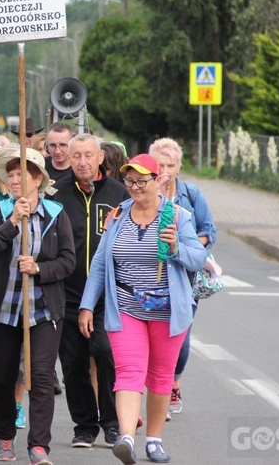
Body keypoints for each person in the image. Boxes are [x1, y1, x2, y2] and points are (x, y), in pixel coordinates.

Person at [78, 153, 207, 464]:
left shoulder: (177, 216)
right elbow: (99, 264)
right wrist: (86, 305)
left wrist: (176, 248)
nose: (134, 187)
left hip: (167, 309)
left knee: (161, 377)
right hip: (126, 306)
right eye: (129, 181)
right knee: (128, 372)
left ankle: (153, 439)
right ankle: (125, 437)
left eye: (141, 181)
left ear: (157, 179)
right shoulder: (118, 215)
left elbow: (199, 259)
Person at [0, 147, 76, 465]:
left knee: (42, 377)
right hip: (3, 310)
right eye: (12, 174)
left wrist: (38, 268)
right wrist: (12, 222)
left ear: (38, 178)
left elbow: (68, 261)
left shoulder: (56, 214)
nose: (16, 179)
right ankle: (5, 438)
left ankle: (39, 446)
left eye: (23, 174)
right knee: (3, 377)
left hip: (43, 311)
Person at [49, 134, 129, 448]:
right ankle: (84, 426)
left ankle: (111, 422)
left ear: (99, 158)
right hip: (66, 294)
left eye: (88, 155)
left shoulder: (118, 194)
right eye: (76, 156)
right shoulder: (55, 195)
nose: (82, 162)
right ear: (69, 159)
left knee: (106, 354)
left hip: (106, 296)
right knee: (73, 364)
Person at [148, 137, 217, 418]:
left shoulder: (192, 194)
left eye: (171, 165)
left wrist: (184, 245)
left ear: (179, 167)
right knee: (151, 334)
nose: (165, 170)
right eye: (160, 164)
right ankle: (158, 389)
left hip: (184, 274)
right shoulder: (142, 192)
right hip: (149, 274)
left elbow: (209, 232)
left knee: (181, 334)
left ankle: (173, 379)